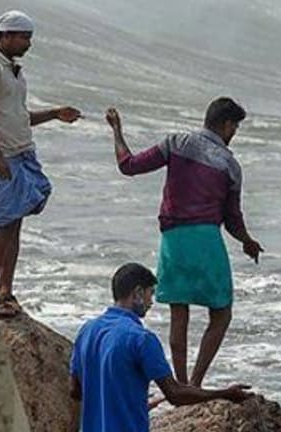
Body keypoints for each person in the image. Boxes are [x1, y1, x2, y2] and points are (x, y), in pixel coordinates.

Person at [104, 97, 263, 387]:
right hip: (206, 241)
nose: (234, 133)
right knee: (221, 312)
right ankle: (196, 383)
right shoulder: (230, 165)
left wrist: (117, 130)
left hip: (173, 240)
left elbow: (128, 166)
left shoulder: (176, 143)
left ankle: (180, 384)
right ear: (227, 125)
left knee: (180, 312)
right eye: (235, 127)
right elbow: (232, 218)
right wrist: (247, 241)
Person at [0, 10, 82, 319]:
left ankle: (6, 290)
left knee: (16, 224)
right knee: (5, 225)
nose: (28, 43)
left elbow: (19, 117)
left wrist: (55, 113)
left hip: (21, 153)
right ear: (3, 36)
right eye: (23, 37)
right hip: (1, 156)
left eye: (29, 37)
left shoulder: (14, 71)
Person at [69, 263, 251, 432]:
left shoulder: (87, 331)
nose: (151, 302)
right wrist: (226, 394)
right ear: (138, 293)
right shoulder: (141, 339)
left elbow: (75, 391)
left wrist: (129, 402)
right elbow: (175, 394)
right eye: (150, 293)